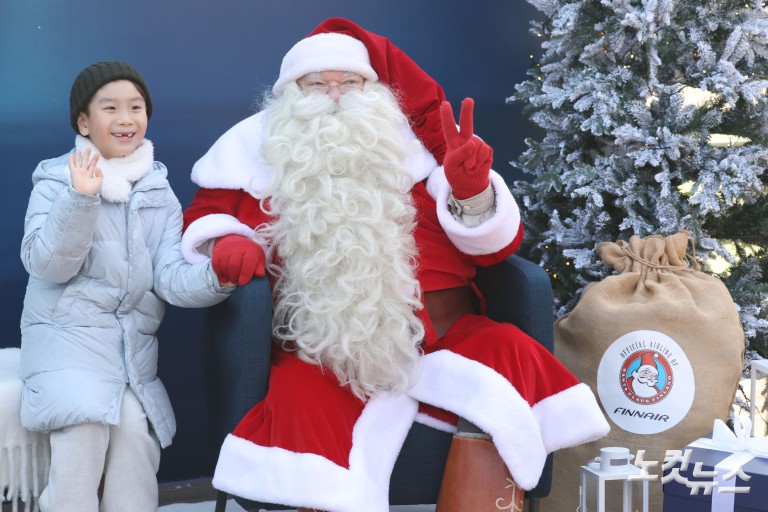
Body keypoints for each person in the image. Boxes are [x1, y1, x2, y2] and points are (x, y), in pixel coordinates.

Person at [181, 18, 610, 511]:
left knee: (508, 355)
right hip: (318, 346)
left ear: (374, 90)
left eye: (350, 82)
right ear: (289, 93)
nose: (334, 94)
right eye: (316, 83)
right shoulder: (252, 152)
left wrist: (474, 195)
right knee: (303, 403)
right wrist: (226, 241)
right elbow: (207, 214)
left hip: (435, 335)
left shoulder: (411, 153)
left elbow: (491, 248)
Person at [18, 61, 233, 512]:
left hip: (130, 359)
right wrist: (81, 198)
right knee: (85, 428)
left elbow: (171, 279)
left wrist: (220, 274)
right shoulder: (56, 179)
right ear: (83, 121)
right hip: (65, 347)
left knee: (137, 431)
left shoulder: (159, 191)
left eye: (136, 107)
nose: (125, 119)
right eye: (110, 107)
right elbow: (46, 265)